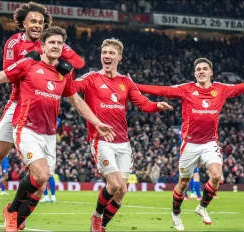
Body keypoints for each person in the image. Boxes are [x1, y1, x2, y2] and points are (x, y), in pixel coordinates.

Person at [0, 26, 115, 232]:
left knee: (41, 186)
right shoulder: (28, 64)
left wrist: (97, 121)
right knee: (40, 174)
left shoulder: (64, 73)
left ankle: (17, 216)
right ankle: (11, 211)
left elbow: (76, 101)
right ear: (42, 46)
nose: (56, 46)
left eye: (60, 43)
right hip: (26, 127)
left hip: (49, 134)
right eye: (52, 42)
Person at [0, 1, 83, 228]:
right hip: (18, 102)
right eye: (33, 21)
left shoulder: (51, 41)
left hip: (42, 104)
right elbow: (7, 73)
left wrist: (62, 65)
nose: (38, 25)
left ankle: (18, 217)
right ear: (24, 23)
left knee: (42, 177)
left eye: (41, 22)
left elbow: (78, 62)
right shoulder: (13, 43)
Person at [135, 58, 244, 230]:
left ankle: (202, 207)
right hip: (189, 144)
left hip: (209, 142)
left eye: (205, 69)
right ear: (195, 73)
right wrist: (134, 85)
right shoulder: (186, 89)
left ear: (211, 72)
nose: (201, 71)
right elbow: (160, 90)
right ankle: (175, 214)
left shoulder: (221, 89)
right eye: (198, 69)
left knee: (216, 175)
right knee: (182, 184)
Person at [73, 38, 172, 232]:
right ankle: (97, 217)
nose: (107, 56)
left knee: (122, 190)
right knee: (115, 184)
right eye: (104, 53)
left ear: (120, 57)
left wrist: (157, 106)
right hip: (102, 140)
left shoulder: (125, 82)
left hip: (123, 142)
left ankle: (102, 227)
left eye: (111, 53)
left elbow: (143, 103)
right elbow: (72, 88)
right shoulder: (91, 78)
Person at [40, 117, 61, 203]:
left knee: (43, 174)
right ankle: (53, 196)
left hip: (44, 148)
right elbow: (58, 120)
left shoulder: (44, 119)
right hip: (51, 150)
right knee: (50, 174)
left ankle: (46, 196)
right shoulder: (56, 120)